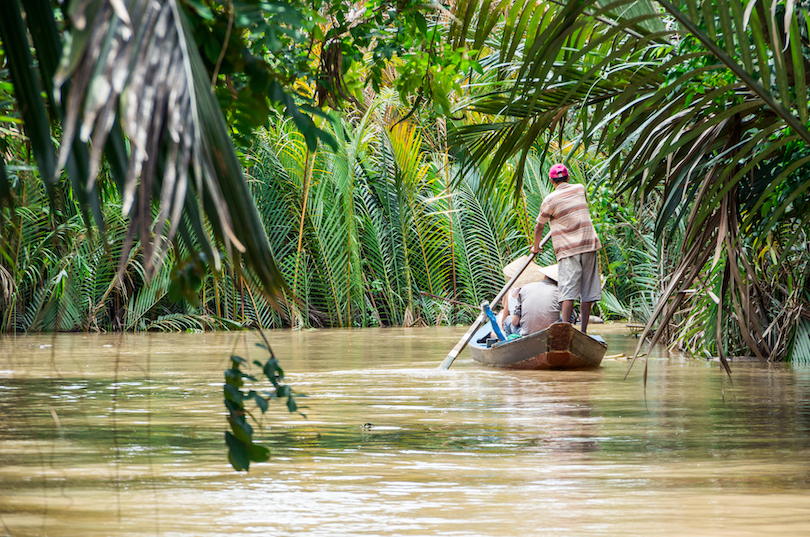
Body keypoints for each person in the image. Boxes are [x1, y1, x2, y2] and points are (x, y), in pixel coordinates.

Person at [530, 163, 602, 334]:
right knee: (587, 291)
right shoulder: (580, 189)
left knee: (568, 291)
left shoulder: (550, 200)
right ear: (568, 177)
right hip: (589, 244)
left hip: (568, 249)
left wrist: (536, 247)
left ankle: (565, 331)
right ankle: (583, 332)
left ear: (551, 181)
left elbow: (539, 226)